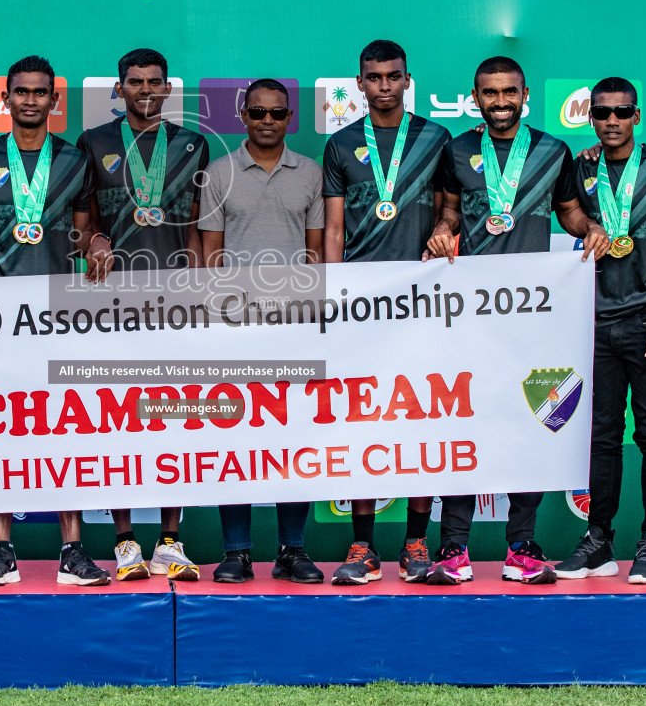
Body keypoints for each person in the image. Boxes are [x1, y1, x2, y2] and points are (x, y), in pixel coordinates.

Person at [425, 55, 607, 585]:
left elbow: (569, 211)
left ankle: (521, 546)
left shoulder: (554, 150)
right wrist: (441, 231)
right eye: (489, 93)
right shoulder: (457, 149)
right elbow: (450, 212)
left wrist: (590, 227)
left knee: (532, 424)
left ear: (525, 94)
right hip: (469, 317)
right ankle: (453, 547)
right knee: (465, 424)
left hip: (534, 314)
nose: (500, 102)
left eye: (509, 93)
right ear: (475, 96)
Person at [0, 55, 111, 586]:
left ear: (54, 100)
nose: (31, 100)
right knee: (0, 430)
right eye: (22, 92)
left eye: (41, 93)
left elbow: (83, 235)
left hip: (61, 315)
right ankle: (1, 550)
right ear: (6, 97)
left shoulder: (74, 160)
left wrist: (99, 243)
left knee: (65, 432)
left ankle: (72, 551)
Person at [552, 79, 646, 585]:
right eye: (602, 113)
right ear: (591, 117)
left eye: (622, 112)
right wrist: (586, 228)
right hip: (595, 323)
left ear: (638, 116)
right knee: (602, 437)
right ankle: (598, 541)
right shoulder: (581, 165)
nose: (612, 121)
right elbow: (568, 213)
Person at [321, 39, 453, 585]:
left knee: (422, 422)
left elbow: (452, 207)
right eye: (373, 77)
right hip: (363, 308)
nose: (383, 86)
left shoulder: (437, 138)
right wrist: (334, 300)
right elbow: (332, 231)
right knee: (362, 426)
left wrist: (445, 230)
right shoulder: (341, 144)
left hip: (424, 303)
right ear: (359, 83)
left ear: (406, 80)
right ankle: (362, 545)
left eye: (392, 76)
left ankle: (416, 543)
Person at [78, 47, 209, 582]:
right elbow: (82, 222)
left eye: (156, 81)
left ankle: (170, 540)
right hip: (114, 307)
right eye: (136, 81)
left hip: (177, 303)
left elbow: (201, 225)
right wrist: (97, 238)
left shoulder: (192, 144)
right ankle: (125, 540)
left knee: (174, 424)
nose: (146, 90)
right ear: (119, 87)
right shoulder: (95, 143)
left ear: (168, 87)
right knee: (118, 424)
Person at [199, 78, 325, 584]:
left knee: (296, 439)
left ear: (290, 117)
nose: (267, 121)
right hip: (234, 326)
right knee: (236, 437)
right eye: (258, 113)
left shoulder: (310, 173)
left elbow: (316, 253)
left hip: (295, 326)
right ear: (243, 116)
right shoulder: (218, 173)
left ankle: (293, 550)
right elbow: (210, 255)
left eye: (276, 114)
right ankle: (237, 551)